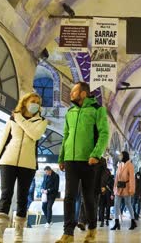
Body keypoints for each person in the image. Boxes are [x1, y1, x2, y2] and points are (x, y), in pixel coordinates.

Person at [0, 92, 48, 243]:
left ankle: (19, 231)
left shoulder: (42, 121)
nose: (36, 105)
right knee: (5, 194)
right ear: (25, 102)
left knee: (22, 197)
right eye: (33, 101)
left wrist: (19, 118)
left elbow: (34, 134)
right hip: (8, 160)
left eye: (38, 103)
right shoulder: (12, 118)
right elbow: (4, 140)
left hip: (28, 164)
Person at [56, 82, 109, 243]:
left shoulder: (97, 110)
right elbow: (66, 135)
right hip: (70, 160)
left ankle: (92, 229)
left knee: (88, 197)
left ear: (83, 93)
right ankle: (68, 233)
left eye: (74, 91)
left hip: (89, 161)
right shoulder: (70, 112)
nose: (71, 94)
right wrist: (61, 157)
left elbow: (104, 134)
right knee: (69, 197)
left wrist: (96, 154)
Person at [111, 151, 137, 230]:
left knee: (128, 204)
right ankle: (116, 222)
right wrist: (114, 187)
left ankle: (133, 221)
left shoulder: (130, 165)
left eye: (121, 155)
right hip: (119, 187)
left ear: (124, 156)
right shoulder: (120, 164)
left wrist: (132, 189)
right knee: (116, 205)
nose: (120, 157)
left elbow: (132, 178)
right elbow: (116, 177)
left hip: (126, 186)